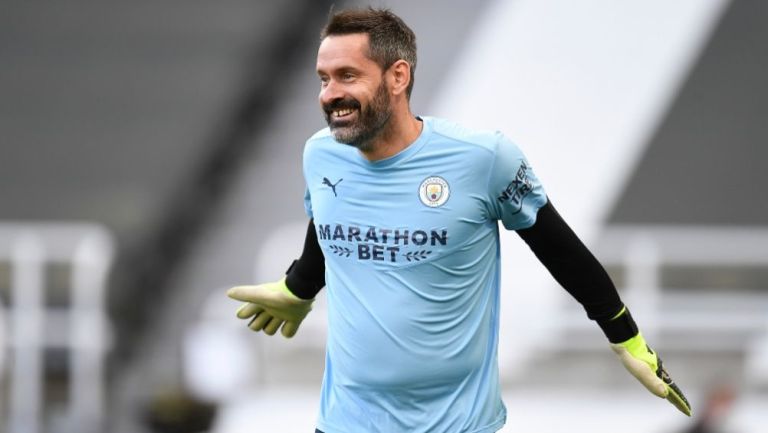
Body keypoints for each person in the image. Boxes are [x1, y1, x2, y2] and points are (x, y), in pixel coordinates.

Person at [227, 8, 691, 432]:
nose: (331, 95)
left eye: (347, 76)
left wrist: (624, 336)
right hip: (345, 422)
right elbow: (330, 224)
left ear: (397, 76)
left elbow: (560, 250)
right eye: (323, 79)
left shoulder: (483, 158)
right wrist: (300, 285)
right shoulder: (321, 154)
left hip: (458, 425)